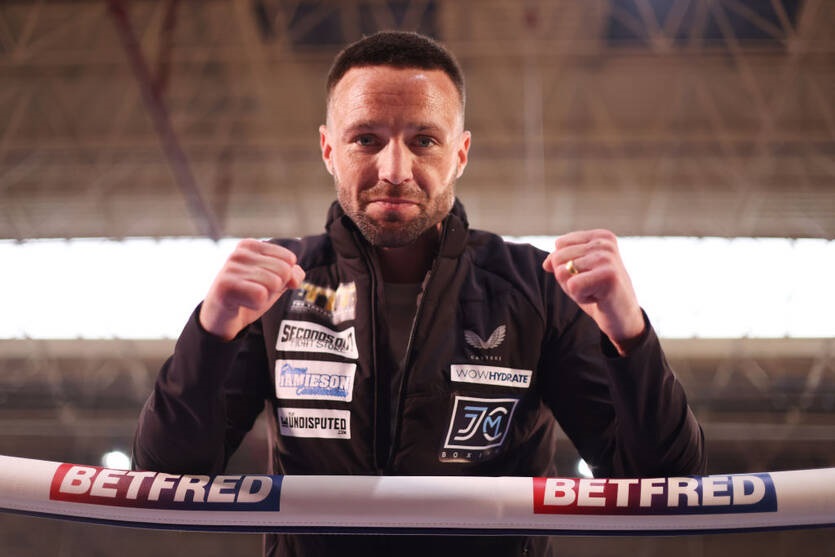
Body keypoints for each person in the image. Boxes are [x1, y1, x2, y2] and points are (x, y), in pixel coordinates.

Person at [134, 30, 705, 556]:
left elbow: (665, 485)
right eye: (366, 139)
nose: (395, 169)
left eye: (424, 140)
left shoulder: (537, 287)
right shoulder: (280, 286)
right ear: (329, 150)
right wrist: (209, 333)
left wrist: (631, 335)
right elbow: (166, 477)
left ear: (460, 153)